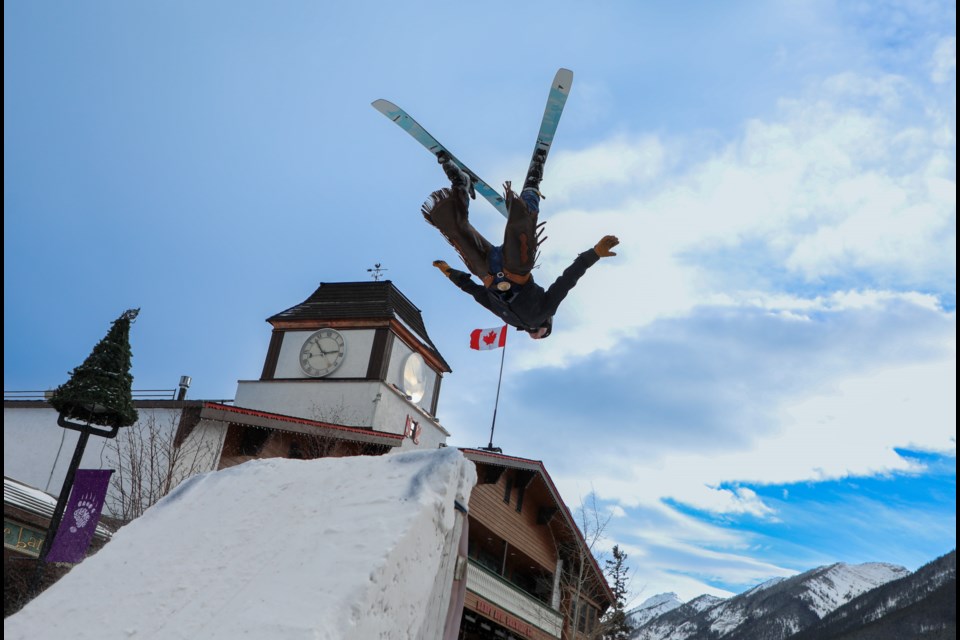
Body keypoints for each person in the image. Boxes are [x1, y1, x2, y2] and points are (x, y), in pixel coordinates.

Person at [422, 152, 619, 339]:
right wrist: (594, 254)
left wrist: (450, 273)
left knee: (457, 231)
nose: (535, 336)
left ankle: (460, 184)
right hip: (515, 268)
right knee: (520, 227)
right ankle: (532, 186)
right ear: (547, 325)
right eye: (542, 335)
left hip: (486, 271)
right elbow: (567, 280)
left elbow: (475, 292)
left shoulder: (507, 318)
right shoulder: (545, 310)